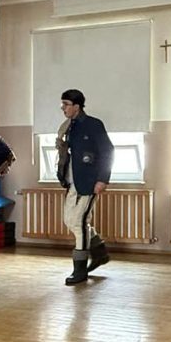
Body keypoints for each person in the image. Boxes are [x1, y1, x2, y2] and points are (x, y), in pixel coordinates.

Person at [57, 89, 114, 285]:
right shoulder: (68, 127)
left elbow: (108, 151)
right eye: (62, 104)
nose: (63, 108)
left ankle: (79, 269)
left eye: (66, 104)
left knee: (79, 222)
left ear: (77, 106)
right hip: (72, 181)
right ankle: (99, 252)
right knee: (69, 220)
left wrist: (103, 179)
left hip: (90, 182)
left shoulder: (93, 124)